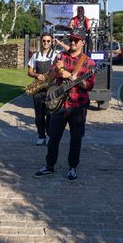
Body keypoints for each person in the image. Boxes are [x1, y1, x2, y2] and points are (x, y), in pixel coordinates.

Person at [34, 29, 95, 182]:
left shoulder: (89, 62)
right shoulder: (61, 57)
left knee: (76, 138)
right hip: (60, 105)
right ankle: (49, 166)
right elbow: (51, 75)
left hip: (78, 106)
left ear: (83, 42)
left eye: (76, 40)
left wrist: (72, 78)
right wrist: (59, 69)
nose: (72, 42)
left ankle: (72, 167)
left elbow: (88, 86)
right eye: (71, 40)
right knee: (54, 137)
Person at [27, 33, 61, 146]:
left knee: (51, 114)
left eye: (48, 41)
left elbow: (60, 70)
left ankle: (50, 136)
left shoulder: (56, 56)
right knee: (39, 115)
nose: (46, 43)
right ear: (41, 42)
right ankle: (41, 136)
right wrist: (37, 75)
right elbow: (29, 72)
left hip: (51, 89)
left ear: (51, 42)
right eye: (44, 41)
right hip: (38, 89)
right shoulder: (35, 56)